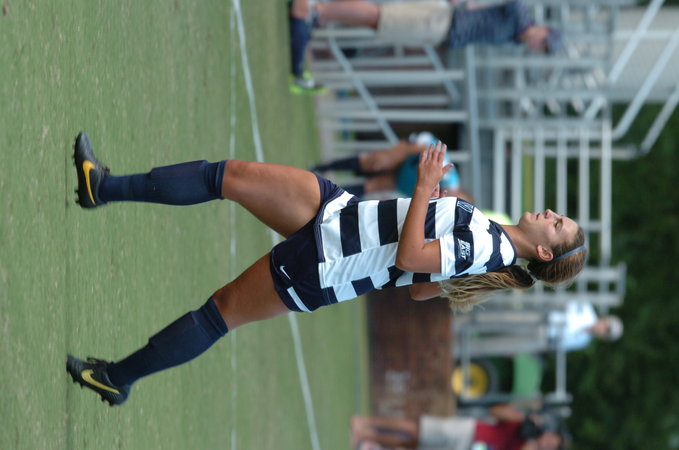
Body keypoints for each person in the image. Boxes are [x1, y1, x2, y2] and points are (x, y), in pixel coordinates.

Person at [66, 132, 586, 406]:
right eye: (559, 215)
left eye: (557, 224)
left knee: (218, 313)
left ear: (545, 253)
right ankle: (101, 187)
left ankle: (114, 378)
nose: (550, 214)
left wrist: (427, 187)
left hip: (330, 262)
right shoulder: (492, 239)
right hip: (340, 214)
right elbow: (419, 288)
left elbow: (408, 261)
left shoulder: (488, 247)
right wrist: (428, 219)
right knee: (228, 175)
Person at [289, 0, 563, 92]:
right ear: (543, 29)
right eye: (543, 41)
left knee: (378, 23)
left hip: (442, 31)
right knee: (379, 17)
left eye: (542, 48)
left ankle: (321, 15)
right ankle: (315, 9)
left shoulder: (516, 37)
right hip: (444, 19)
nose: (537, 45)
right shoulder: (520, 14)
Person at [350, 403, 568, 449]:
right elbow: (494, 411)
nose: (548, 442)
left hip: (468, 449)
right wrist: (523, 419)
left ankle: (368, 436)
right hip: (471, 431)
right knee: (416, 430)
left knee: (413, 444)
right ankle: (364, 423)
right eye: (551, 438)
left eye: (551, 445)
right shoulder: (526, 424)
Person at [311, 132, 461, 198]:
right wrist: (397, 154)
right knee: (375, 162)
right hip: (414, 154)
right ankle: (322, 167)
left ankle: (324, 195)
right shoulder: (449, 178)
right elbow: (423, 147)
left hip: (410, 179)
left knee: (374, 186)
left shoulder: (440, 203)